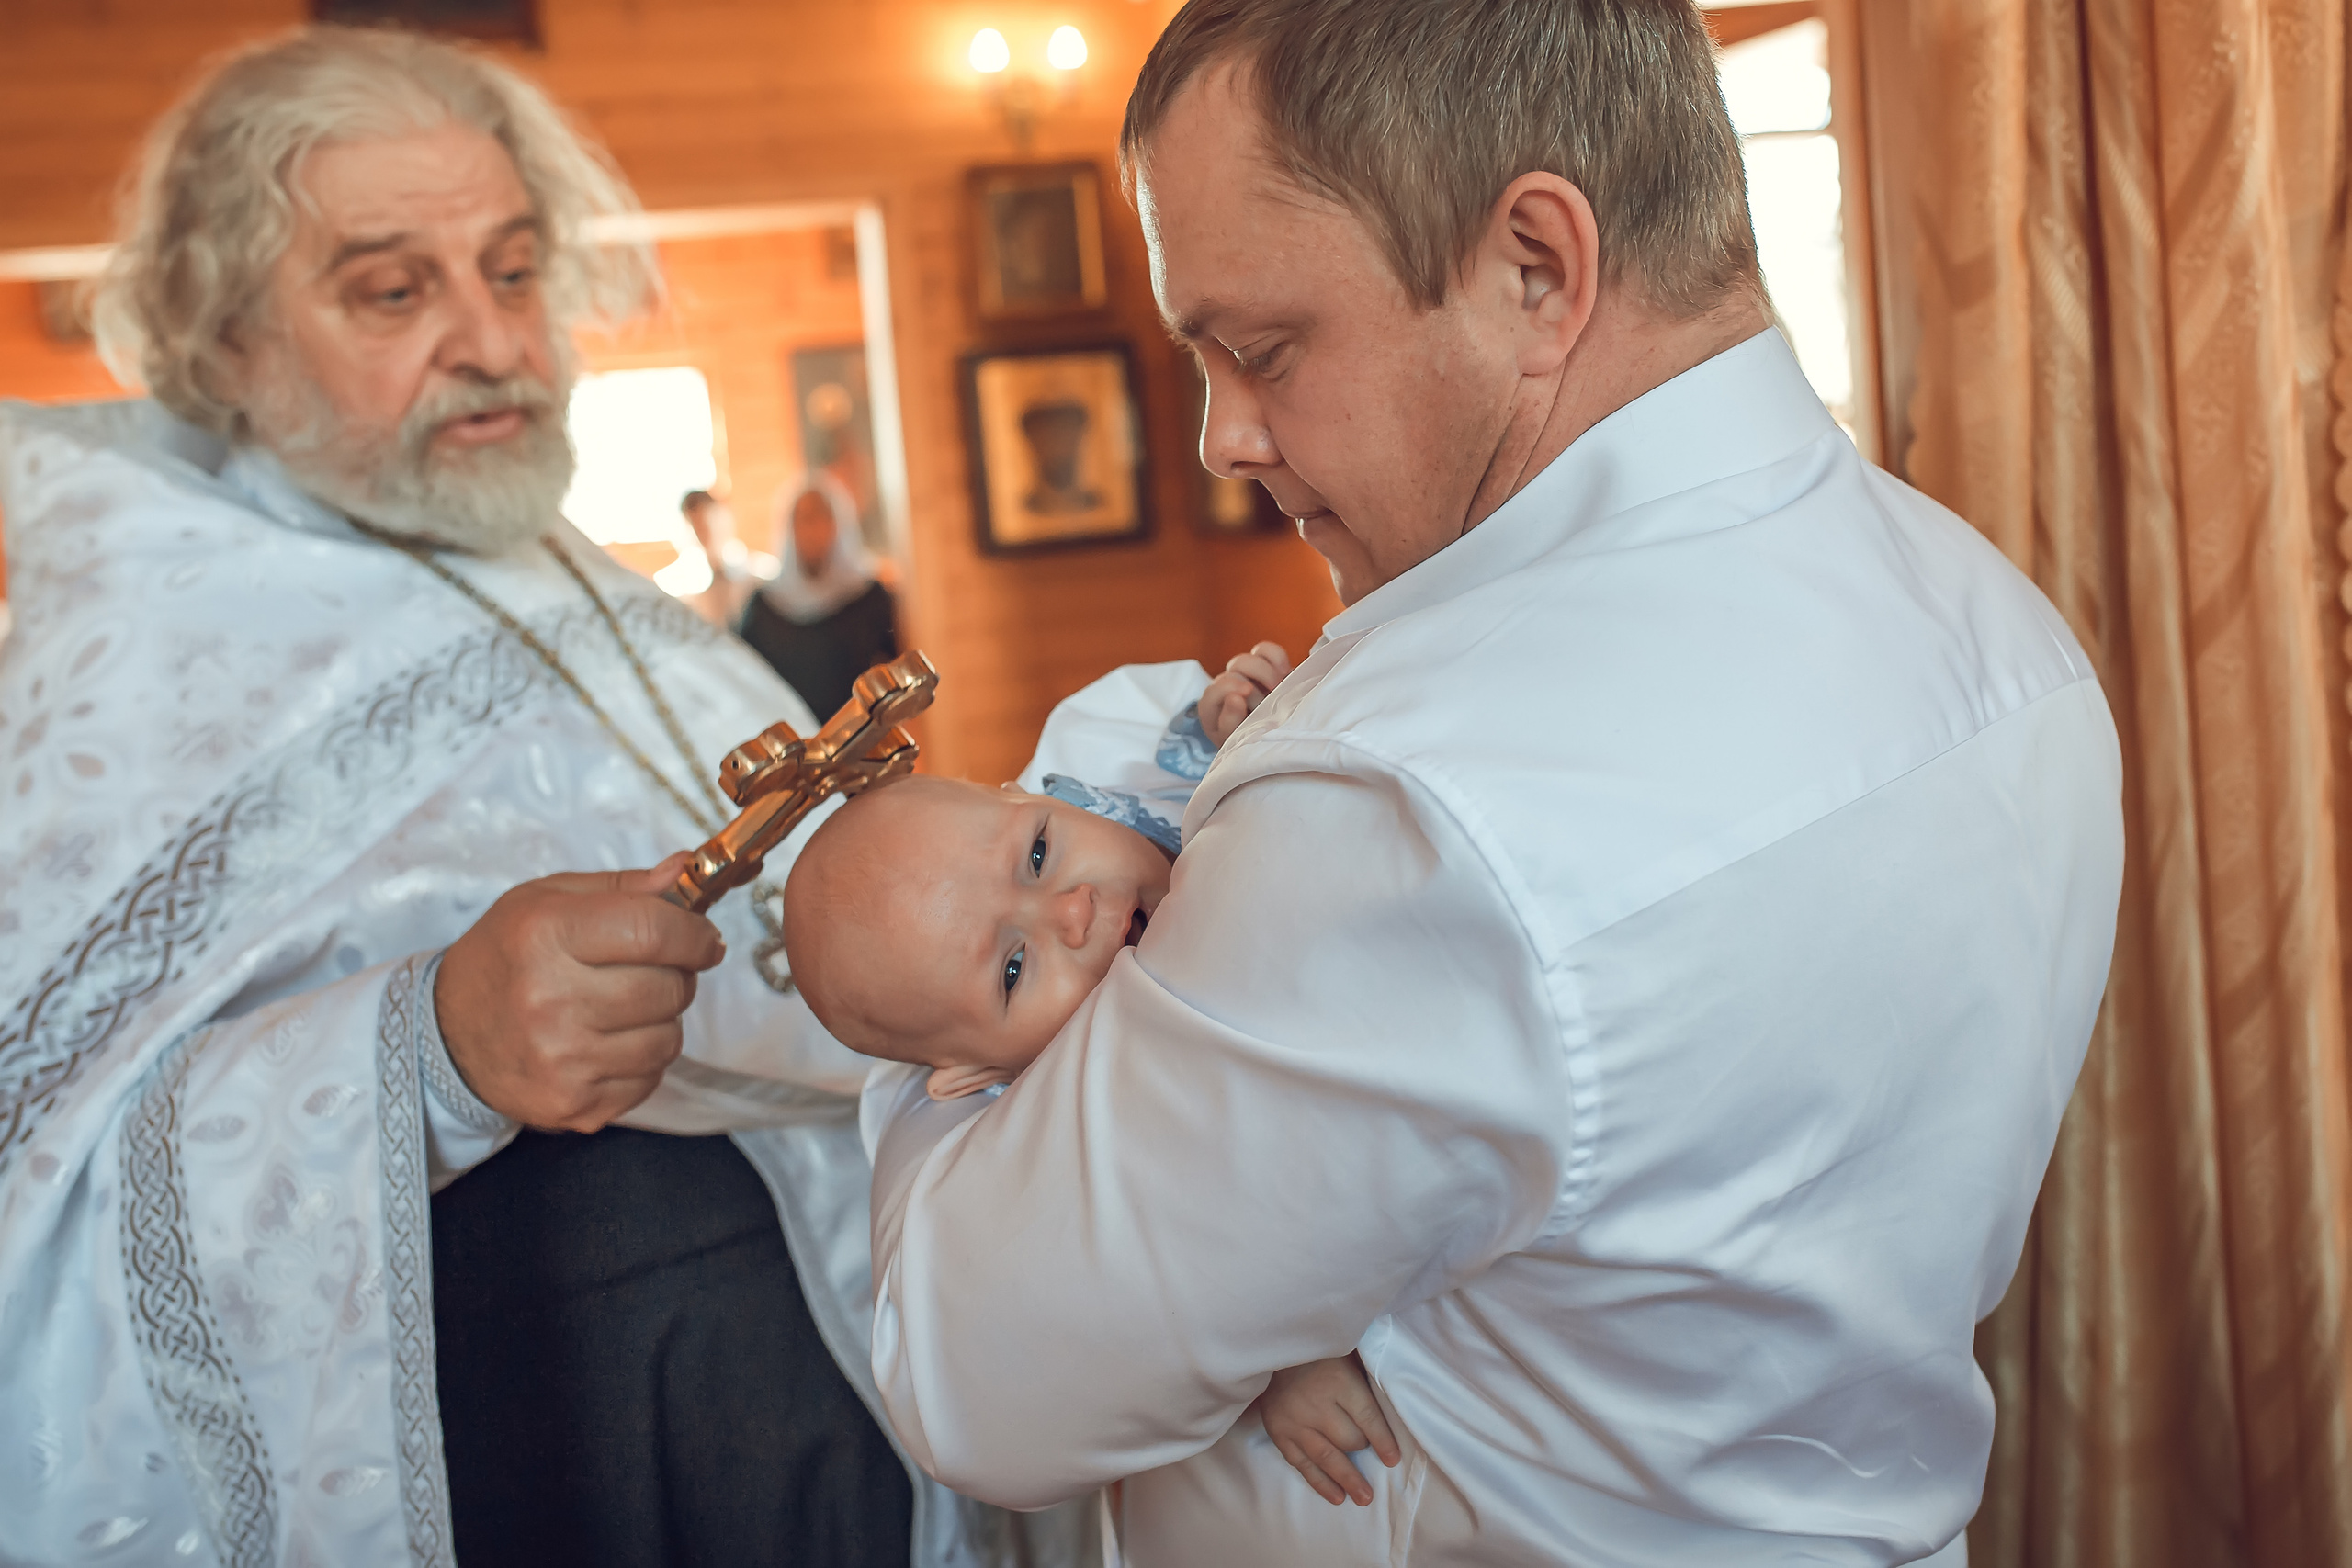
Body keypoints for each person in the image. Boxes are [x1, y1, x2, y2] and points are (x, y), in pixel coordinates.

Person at [863, 3, 2125, 1564]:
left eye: (1259, 351)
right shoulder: (2004, 630)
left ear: (1538, 266)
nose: (1221, 440)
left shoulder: (1405, 796)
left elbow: (980, 1378)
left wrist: (927, 1062)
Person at [0, 28, 1081, 1568]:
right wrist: (425, 1045)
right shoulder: (128, 671)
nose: (494, 340)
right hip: (536, 1462)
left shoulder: (543, 560)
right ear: (223, 336)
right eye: (394, 289)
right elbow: (41, 1205)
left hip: (828, 1396)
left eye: (513, 270)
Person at [740, 473, 899, 720]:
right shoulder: (764, 608)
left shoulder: (869, 598)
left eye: (823, 517)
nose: (813, 530)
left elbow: (894, 675)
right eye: (804, 519)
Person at [679, 485, 759, 626]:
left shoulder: (754, 572)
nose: (703, 531)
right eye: (696, 525)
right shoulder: (682, 586)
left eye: (706, 521)